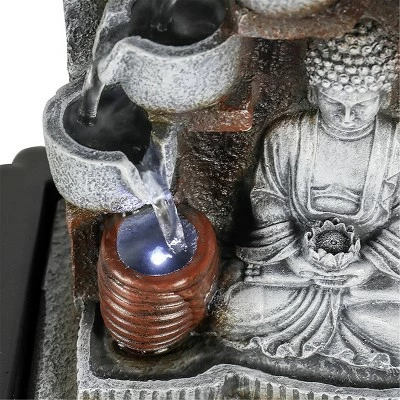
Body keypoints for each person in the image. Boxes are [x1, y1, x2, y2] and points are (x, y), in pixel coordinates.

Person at [216, 19, 399, 369]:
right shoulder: (287, 136)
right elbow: (268, 198)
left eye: (361, 105)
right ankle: (341, 321)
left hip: (370, 278)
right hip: (295, 270)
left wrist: (370, 264)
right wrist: (292, 255)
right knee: (232, 312)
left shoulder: (396, 144)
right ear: (314, 93)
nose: (347, 116)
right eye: (334, 103)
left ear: (384, 96)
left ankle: (347, 315)